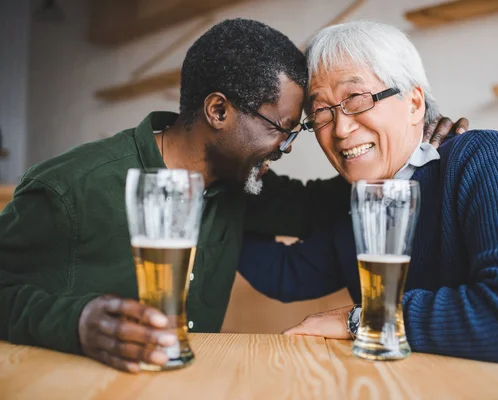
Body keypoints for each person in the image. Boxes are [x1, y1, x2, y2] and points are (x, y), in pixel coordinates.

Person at [0, 18, 462, 373]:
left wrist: (415, 141)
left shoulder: (245, 185)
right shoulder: (72, 186)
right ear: (218, 110)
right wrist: (77, 323)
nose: (285, 148)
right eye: (281, 129)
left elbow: (341, 196)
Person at [238, 21, 498, 365]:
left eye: (356, 99)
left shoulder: (484, 157)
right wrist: (211, 183)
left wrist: (365, 319)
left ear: (415, 103)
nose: (341, 129)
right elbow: (285, 274)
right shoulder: (366, 200)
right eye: (322, 112)